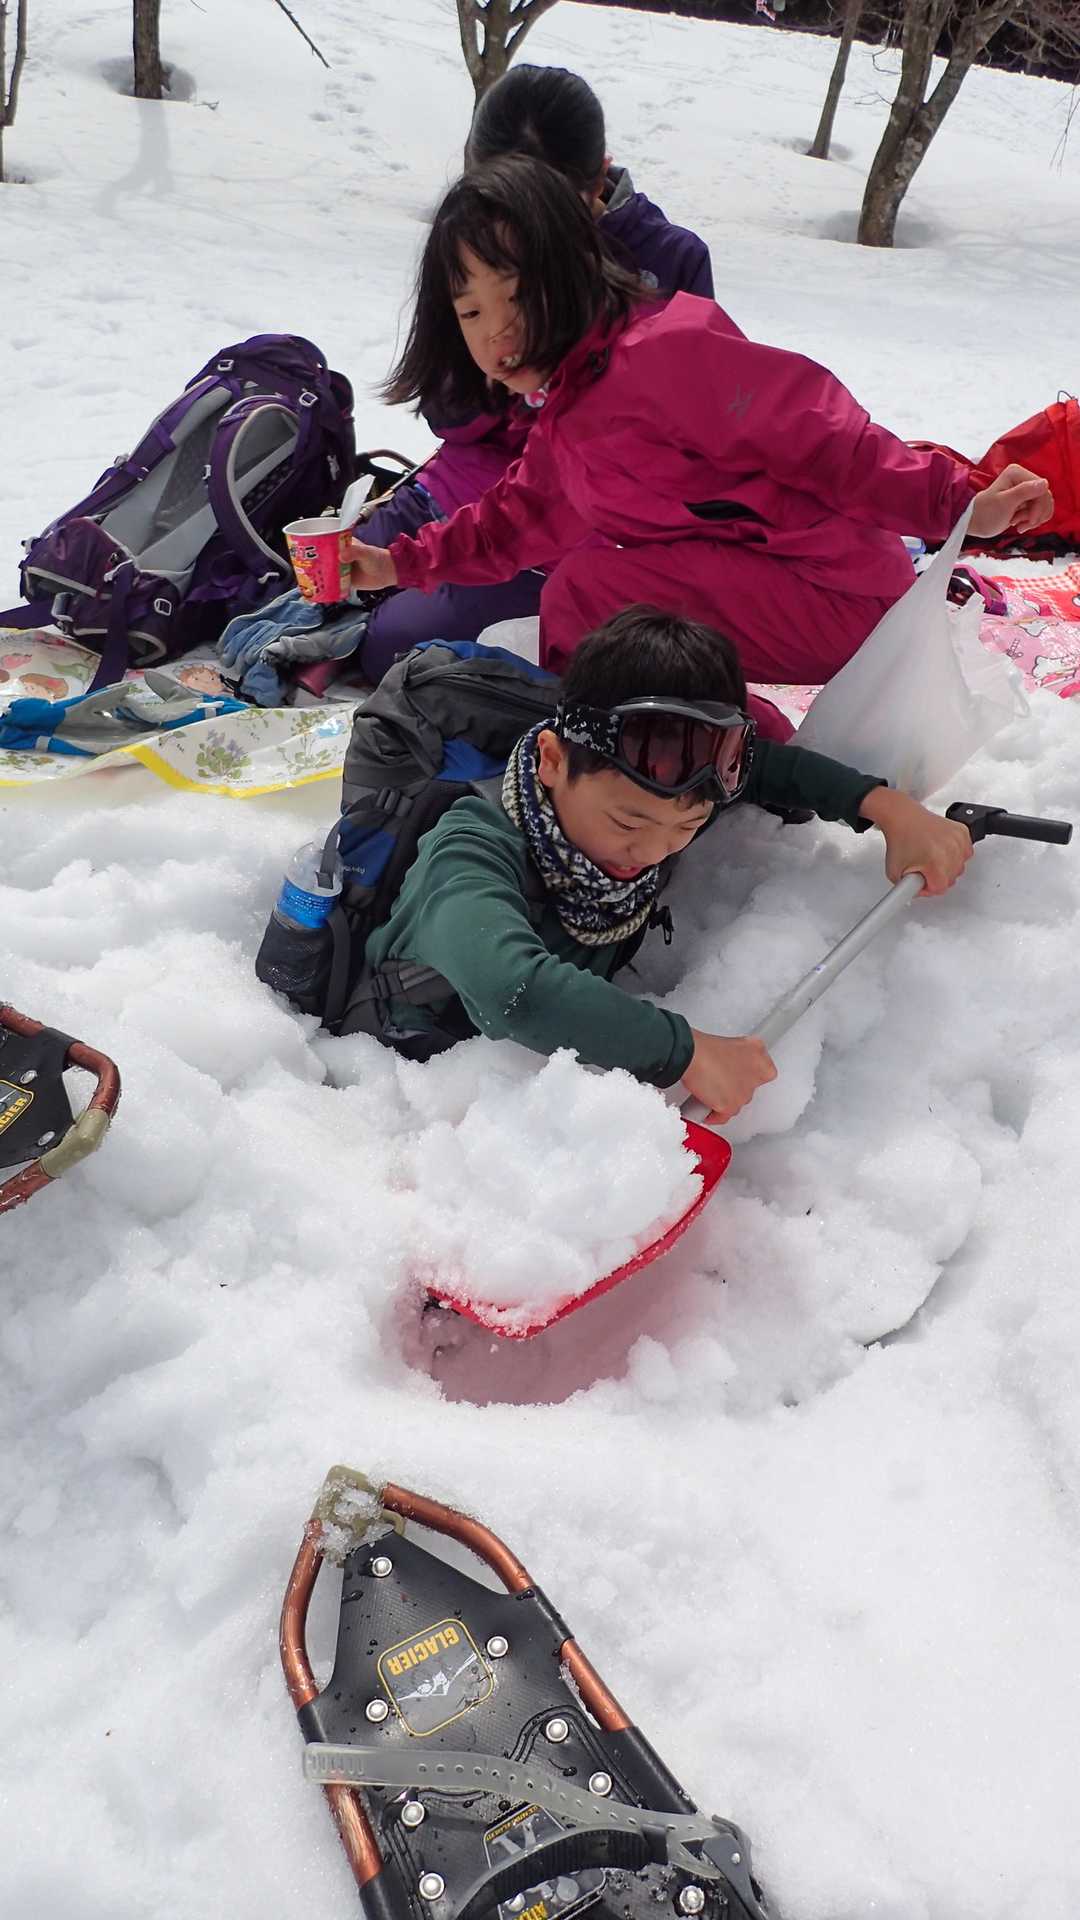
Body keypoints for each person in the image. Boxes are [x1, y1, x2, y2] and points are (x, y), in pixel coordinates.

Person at [347, 157, 1054, 687]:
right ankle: (667, 748)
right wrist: (397, 563)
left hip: (840, 595)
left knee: (588, 593)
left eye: (517, 294)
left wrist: (962, 504)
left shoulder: (660, 356)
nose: (498, 331)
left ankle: (683, 759)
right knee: (590, 596)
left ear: (573, 268)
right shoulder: (570, 408)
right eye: (471, 311)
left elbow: (827, 438)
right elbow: (516, 519)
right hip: (783, 591)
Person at [362, 606, 973, 1124]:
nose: (653, 852)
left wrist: (889, 809)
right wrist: (686, 1053)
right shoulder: (470, 850)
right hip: (426, 1081)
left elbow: (768, 769)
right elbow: (511, 989)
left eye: (686, 828)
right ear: (551, 761)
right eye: (628, 825)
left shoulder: (658, 787)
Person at [310, 69, 714, 697]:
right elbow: (447, 410)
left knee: (398, 646)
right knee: (320, 587)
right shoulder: (469, 242)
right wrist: (499, 380)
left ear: (599, 177)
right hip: (472, 487)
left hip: (578, 520)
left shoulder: (665, 266)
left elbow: (678, 452)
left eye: (550, 203)